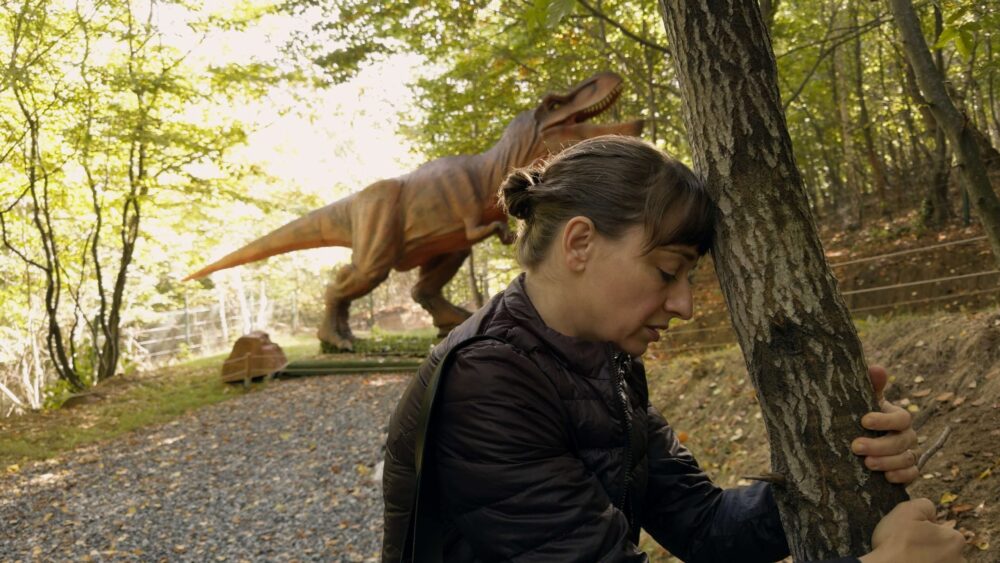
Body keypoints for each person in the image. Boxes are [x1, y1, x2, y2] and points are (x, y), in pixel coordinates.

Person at [381, 136, 965, 562]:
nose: (684, 304)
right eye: (668, 271)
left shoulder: (601, 359)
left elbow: (706, 527)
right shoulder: (488, 381)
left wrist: (837, 459)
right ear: (579, 242)